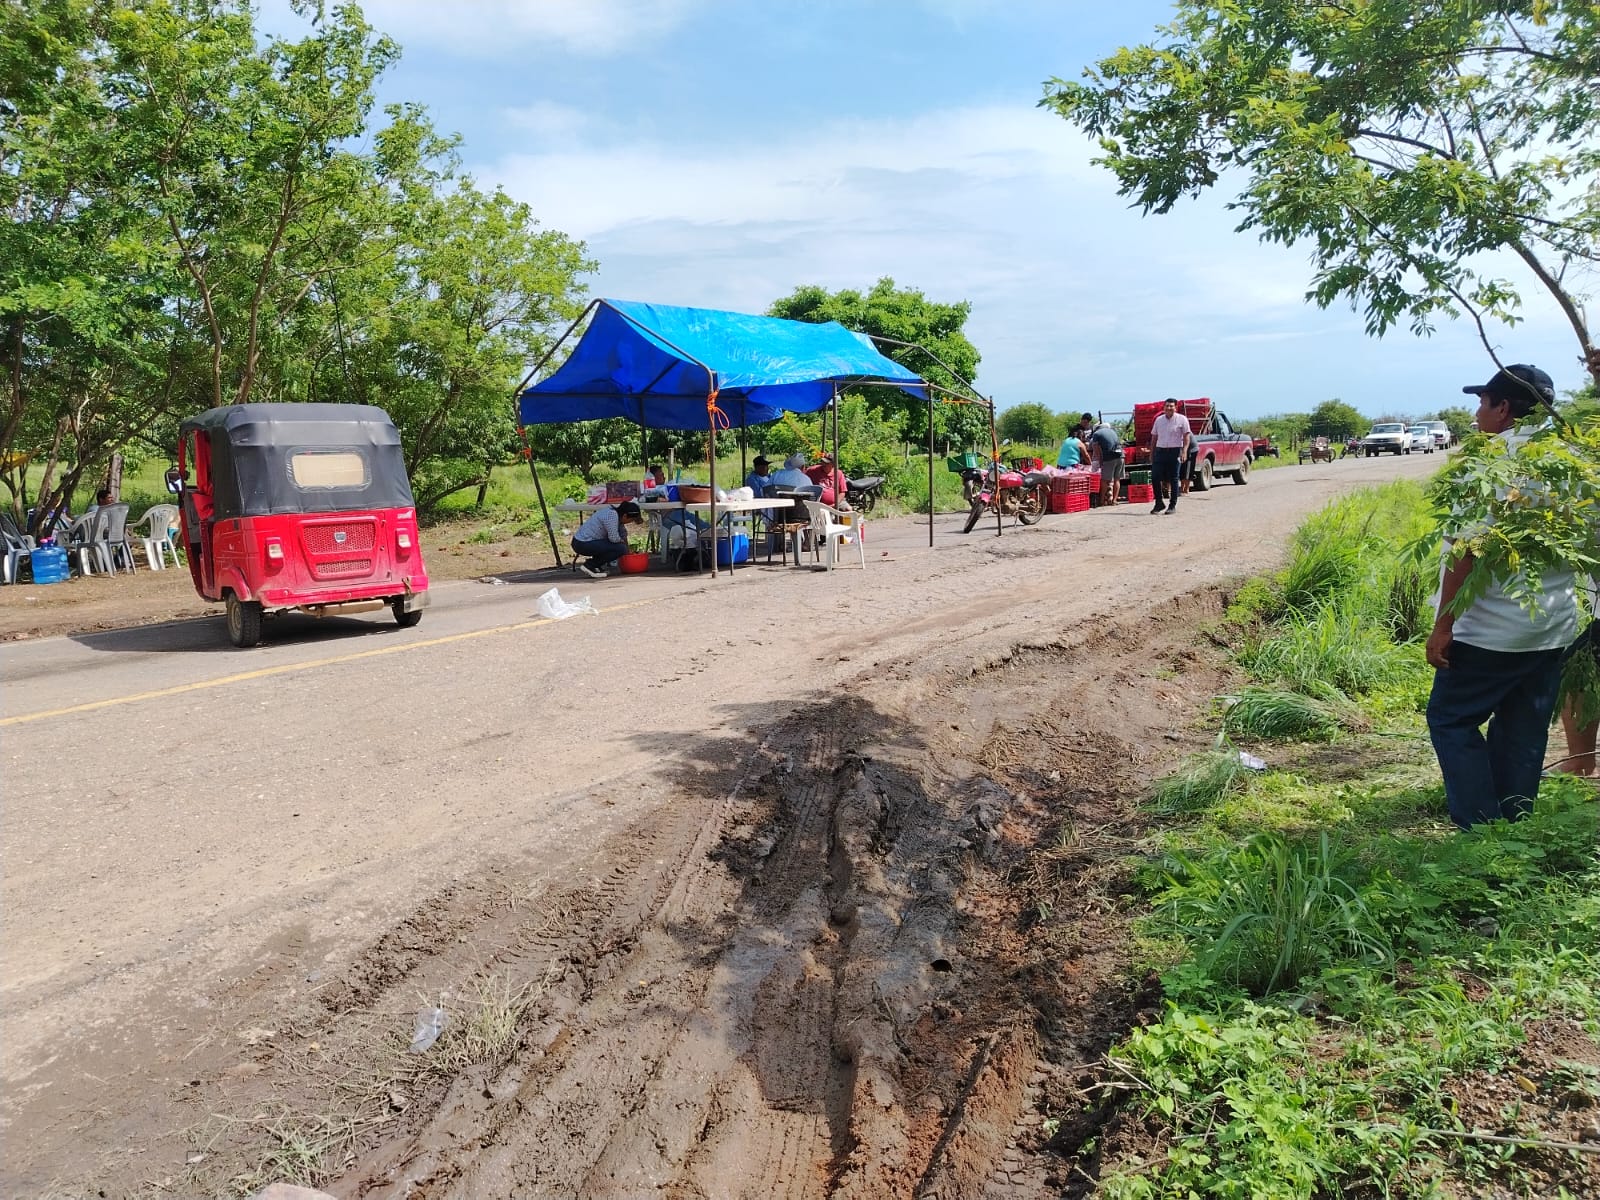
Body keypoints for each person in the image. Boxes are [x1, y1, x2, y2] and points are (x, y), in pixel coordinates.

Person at [1426, 363, 1578, 828]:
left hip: (1491, 632)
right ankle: (1514, 828)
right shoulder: (1574, 462)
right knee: (1523, 729)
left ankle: (1480, 829)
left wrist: (1443, 626)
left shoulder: (1492, 467)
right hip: (1552, 625)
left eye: (1482, 403)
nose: (1476, 414)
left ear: (1504, 408)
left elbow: (1466, 551)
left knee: (1451, 719)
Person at [571, 499, 642, 578]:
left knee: (621, 547)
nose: (630, 522)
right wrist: (624, 546)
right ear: (625, 516)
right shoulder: (612, 516)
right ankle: (589, 565)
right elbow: (614, 538)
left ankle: (596, 565)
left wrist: (627, 550)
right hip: (582, 543)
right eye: (631, 520)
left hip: (585, 542)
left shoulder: (618, 517)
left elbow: (623, 534)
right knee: (620, 548)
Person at [1149, 398, 1192, 514]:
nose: (1169, 408)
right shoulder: (1159, 420)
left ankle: (1172, 505)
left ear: (1175, 407)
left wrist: (1184, 451)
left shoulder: (1182, 420)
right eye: (1167, 406)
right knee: (1155, 477)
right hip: (1160, 451)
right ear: (1164, 407)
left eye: (1171, 406)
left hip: (1175, 451)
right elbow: (1154, 437)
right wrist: (1151, 453)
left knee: (1174, 478)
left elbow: (1187, 437)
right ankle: (1159, 503)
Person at [1080, 413, 1125, 506]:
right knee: (1117, 479)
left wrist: (1100, 463)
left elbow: (1096, 450)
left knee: (1104, 480)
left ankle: (1101, 501)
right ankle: (1114, 500)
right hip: (1121, 456)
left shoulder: (1096, 434)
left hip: (1109, 457)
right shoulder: (1113, 431)